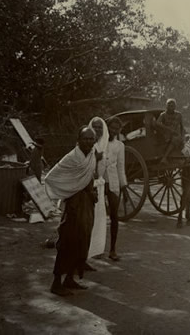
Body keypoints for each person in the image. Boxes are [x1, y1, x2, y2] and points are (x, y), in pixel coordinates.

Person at [45, 126, 98, 296]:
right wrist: (69, 190)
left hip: (87, 204)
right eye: (86, 138)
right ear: (79, 140)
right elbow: (51, 177)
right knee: (67, 242)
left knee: (82, 242)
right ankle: (56, 283)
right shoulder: (71, 158)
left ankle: (69, 278)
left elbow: (90, 178)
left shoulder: (92, 155)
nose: (89, 142)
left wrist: (91, 192)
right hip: (74, 205)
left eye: (92, 139)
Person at [103, 117, 128, 261]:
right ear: (107, 127)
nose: (114, 131)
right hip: (100, 182)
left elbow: (120, 167)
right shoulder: (99, 143)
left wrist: (123, 185)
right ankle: (92, 249)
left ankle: (112, 249)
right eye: (112, 128)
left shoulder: (120, 146)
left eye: (117, 129)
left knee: (114, 216)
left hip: (113, 182)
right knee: (95, 216)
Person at [88, 117, 109, 261]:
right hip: (88, 186)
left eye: (100, 127)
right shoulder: (88, 143)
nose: (97, 130)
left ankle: (94, 251)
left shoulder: (105, 144)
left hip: (99, 185)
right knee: (88, 220)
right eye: (95, 127)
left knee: (99, 219)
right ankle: (85, 253)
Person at [155, 98, 185, 164]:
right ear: (166, 106)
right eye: (169, 105)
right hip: (165, 135)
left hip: (175, 134)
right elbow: (157, 123)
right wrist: (167, 128)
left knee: (181, 140)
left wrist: (182, 136)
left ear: (175, 106)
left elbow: (182, 127)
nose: (171, 107)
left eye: (173, 106)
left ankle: (175, 157)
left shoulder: (179, 115)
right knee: (175, 139)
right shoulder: (163, 115)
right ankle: (164, 158)